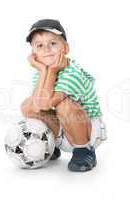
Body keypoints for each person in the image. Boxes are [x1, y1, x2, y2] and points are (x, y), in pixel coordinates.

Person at [20, 19, 107, 172]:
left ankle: (84, 151)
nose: (46, 49)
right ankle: (51, 144)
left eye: (52, 43)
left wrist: (52, 71)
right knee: (28, 105)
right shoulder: (41, 73)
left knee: (64, 104)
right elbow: (38, 104)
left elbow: (47, 104)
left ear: (65, 48)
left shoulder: (72, 73)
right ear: (34, 54)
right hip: (64, 127)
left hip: (87, 130)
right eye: (40, 45)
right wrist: (44, 70)